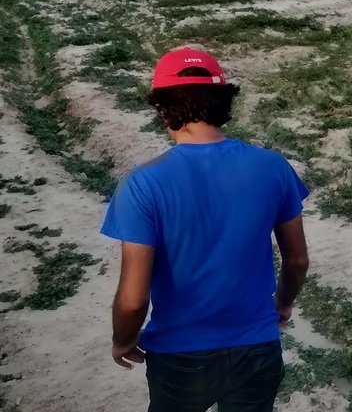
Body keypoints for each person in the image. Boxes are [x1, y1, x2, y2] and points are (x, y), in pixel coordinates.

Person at [101, 47, 310, 412]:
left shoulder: (142, 184)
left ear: (162, 109)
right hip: (258, 348)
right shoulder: (272, 167)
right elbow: (296, 260)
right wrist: (283, 303)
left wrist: (123, 339)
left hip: (181, 357)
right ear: (222, 103)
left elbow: (134, 299)